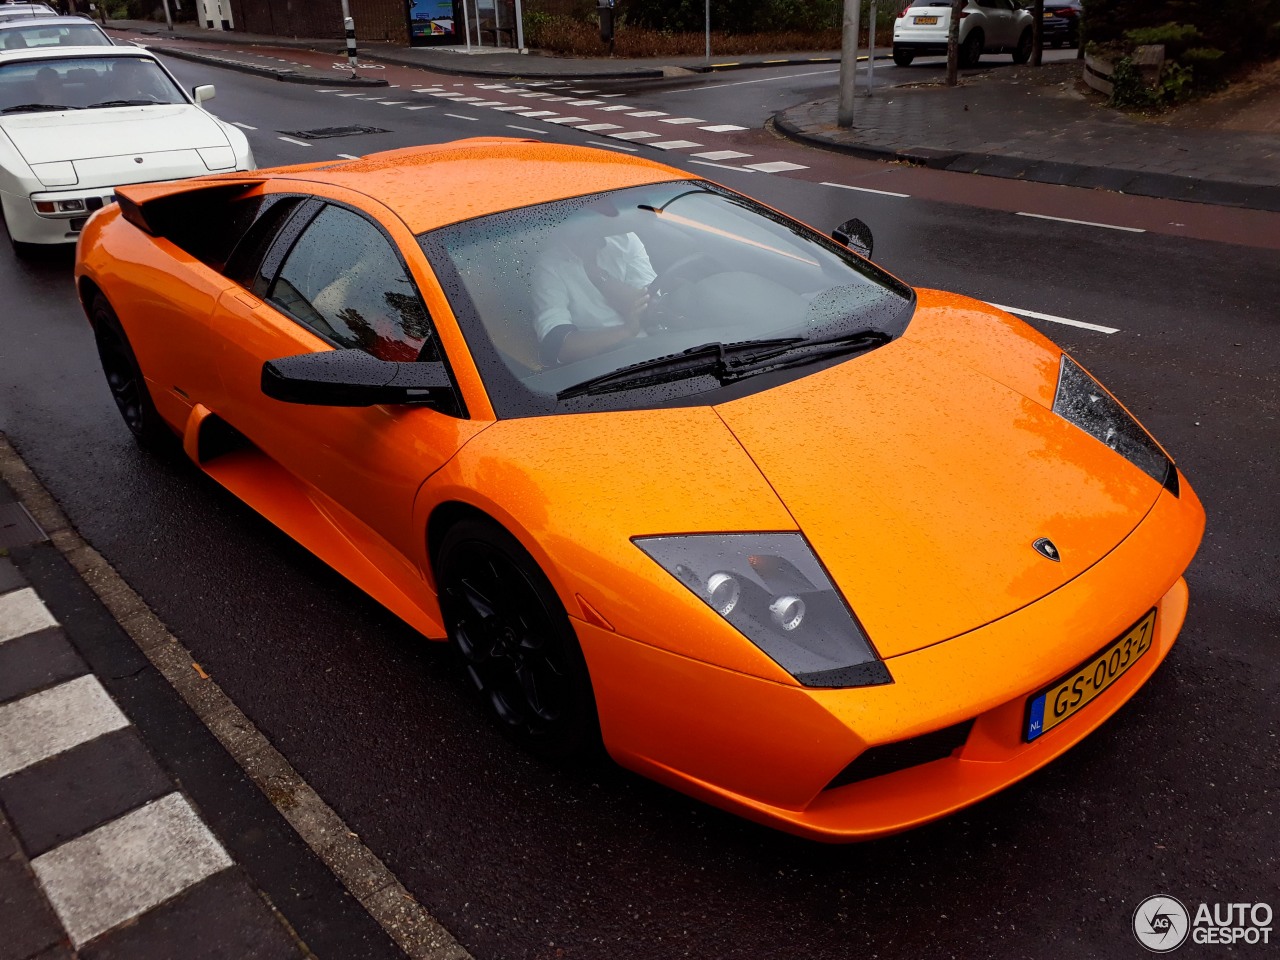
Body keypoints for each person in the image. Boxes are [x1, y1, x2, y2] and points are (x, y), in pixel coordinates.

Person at [531, 204, 656, 366]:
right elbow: (559, 347)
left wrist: (597, 275)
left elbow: (651, 305)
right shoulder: (548, 267)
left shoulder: (627, 240)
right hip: (599, 367)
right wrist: (626, 331)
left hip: (653, 352)